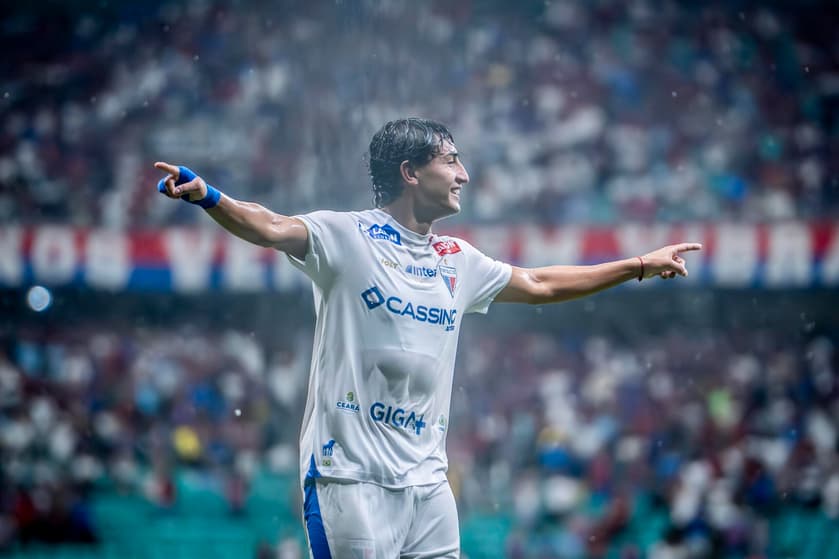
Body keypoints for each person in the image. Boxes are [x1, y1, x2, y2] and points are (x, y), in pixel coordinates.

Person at [154, 117, 701, 558]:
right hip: (349, 479)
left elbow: (538, 282)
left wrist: (638, 266)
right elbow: (269, 225)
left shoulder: (458, 260)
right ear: (410, 171)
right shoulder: (346, 236)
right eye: (451, 160)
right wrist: (209, 197)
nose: (464, 173)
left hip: (428, 484)